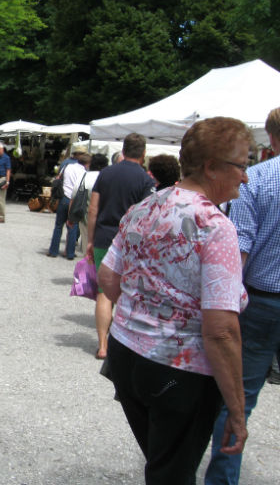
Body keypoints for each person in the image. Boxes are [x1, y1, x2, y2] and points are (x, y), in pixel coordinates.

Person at [98, 117, 251, 485]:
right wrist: (237, 410)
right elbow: (221, 331)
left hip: (126, 355)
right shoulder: (215, 227)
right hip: (177, 372)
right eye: (242, 166)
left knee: (162, 461)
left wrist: (143, 310)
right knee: (172, 474)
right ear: (212, 167)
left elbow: (108, 278)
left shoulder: (145, 207)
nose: (246, 177)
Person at [204, 108, 280, 485]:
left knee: (239, 398)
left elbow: (241, 248)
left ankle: (222, 479)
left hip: (263, 299)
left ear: (272, 138)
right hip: (265, 296)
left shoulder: (257, 179)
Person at [86, 133, 154, 360]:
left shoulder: (105, 173)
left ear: (123, 150)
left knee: (104, 293)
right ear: (143, 153)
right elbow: (147, 216)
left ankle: (103, 345)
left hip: (104, 237)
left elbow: (93, 209)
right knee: (128, 292)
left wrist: (90, 240)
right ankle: (124, 344)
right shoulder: (145, 180)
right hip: (130, 242)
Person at [48, 152, 90, 260]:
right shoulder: (84, 172)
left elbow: (58, 177)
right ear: (87, 163)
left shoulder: (67, 166)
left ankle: (53, 251)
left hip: (64, 197)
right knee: (73, 227)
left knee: (58, 226)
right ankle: (70, 253)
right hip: (75, 200)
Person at [68, 153, 108, 254]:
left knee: (87, 250)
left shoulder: (84, 176)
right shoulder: (107, 177)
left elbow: (74, 197)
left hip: (85, 218)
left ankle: (88, 267)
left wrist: (70, 217)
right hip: (104, 220)